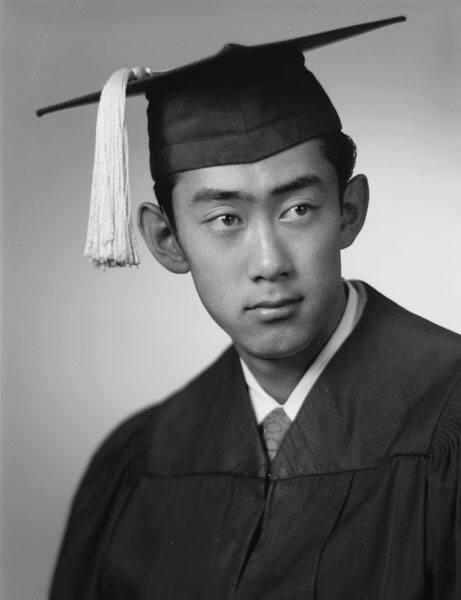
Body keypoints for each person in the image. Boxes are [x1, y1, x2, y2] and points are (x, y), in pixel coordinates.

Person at [38, 16, 461, 600]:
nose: (269, 262)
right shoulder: (142, 458)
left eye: (297, 210)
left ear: (350, 210)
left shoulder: (450, 423)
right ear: (167, 241)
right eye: (225, 220)